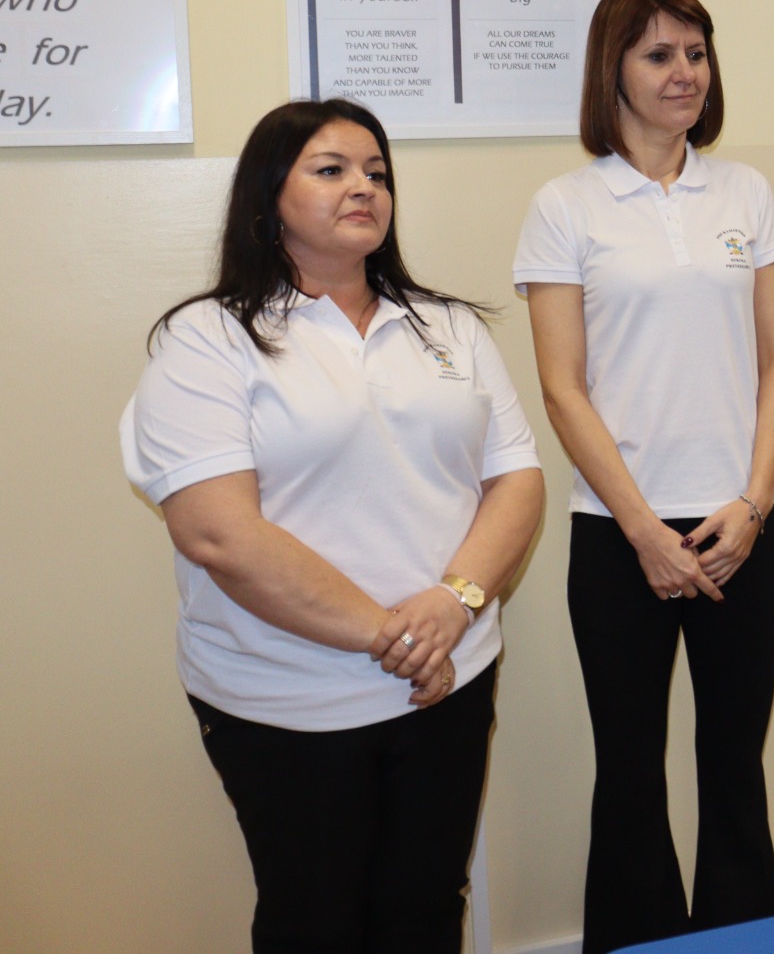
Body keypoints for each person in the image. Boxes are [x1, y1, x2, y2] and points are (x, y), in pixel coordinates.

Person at [120, 99, 545, 953]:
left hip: (449, 680)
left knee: (427, 908)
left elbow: (516, 480)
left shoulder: (450, 327)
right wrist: (399, 637)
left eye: (377, 173)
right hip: (288, 697)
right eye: (331, 169)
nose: (364, 187)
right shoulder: (207, 340)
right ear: (267, 197)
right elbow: (218, 535)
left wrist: (454, 603)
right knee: (314, 921)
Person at [515, 0, 774, 951]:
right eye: (659, 54)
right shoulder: (566, 205)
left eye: (697, 53)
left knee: (735, 766)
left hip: (745, 526)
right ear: (614, 70)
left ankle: (744, 939)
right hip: (619, 534)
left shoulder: (746, 192)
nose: (685, 72)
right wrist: (644, 530)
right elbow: (563, 387)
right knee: (630, 775)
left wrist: (753, 505)